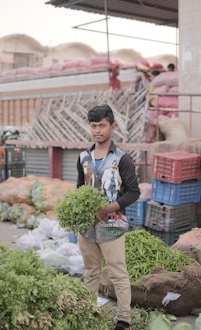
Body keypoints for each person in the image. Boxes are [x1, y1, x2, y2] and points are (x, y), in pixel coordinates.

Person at [77, 104, 140, 330]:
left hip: (112, 225)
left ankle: (124, 321)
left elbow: (134, 192)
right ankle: (87, 312)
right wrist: (80, 211)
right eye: (93, 126)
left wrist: (105, 210)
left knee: (117, 274)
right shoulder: (83, 157)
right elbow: (79, 187)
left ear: (112, 127)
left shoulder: (122, 158)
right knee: (91, 272)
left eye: (102, 125)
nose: (97, 130)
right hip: (87, 227)